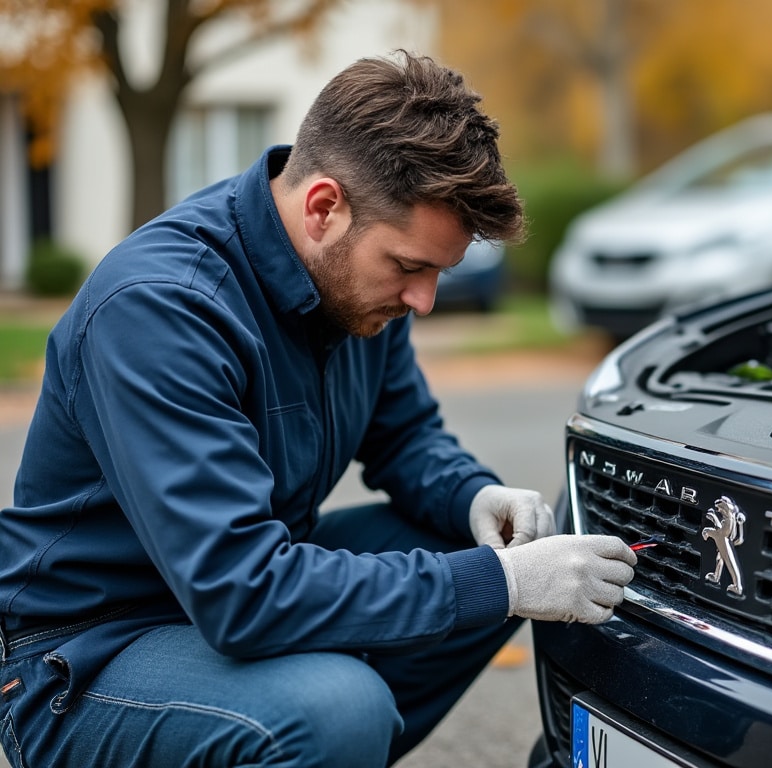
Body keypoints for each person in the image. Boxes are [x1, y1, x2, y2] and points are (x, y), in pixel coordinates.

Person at [0, 50, 637, 767]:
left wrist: (473, 497)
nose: (424, 301)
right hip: (86, 657)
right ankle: (312, 734)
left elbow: (405, 437)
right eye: (409, 266)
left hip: (228, 599)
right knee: (341, 706)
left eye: (439, 272)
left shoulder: (353, 289)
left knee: (496, 551)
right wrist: (504, 584)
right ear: (324, 208)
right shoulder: (160, 309)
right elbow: (242, 591)